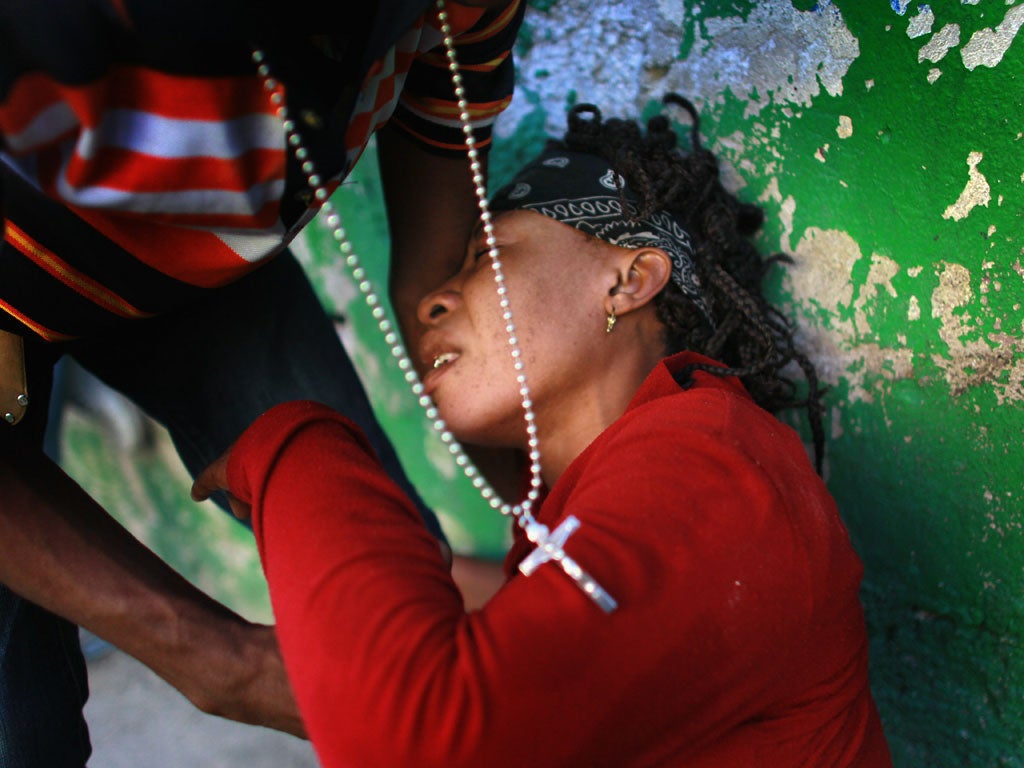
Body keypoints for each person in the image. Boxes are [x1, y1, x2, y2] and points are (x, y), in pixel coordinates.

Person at [192, 99, 893, 767]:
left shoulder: (716, 462)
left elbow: (426, 742)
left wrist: (297, 445)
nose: (438, 299)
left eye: (488, 254)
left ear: (629, 280)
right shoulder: (610, 486)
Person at [0, 0, 523, 764]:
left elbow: (432, 284)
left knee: (391, 580)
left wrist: (548, 527)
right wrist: (218, 658)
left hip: (188, 265)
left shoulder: (444, 11)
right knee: (24, 728)